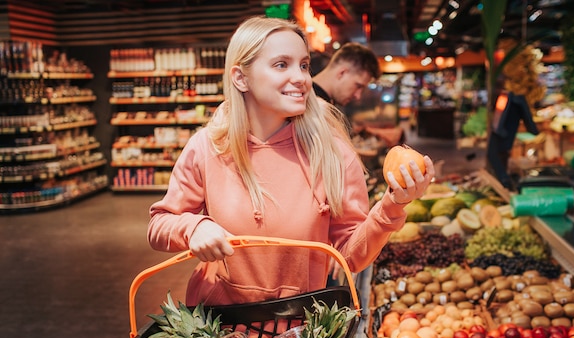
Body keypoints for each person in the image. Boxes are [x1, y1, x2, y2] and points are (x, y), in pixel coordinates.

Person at [147, 15, 435, 307]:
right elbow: (160, 225)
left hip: (298, 332)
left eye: (304, 65)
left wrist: (392, 206)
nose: (301, 78)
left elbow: (349, 256)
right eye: (281, 64)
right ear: (240, 78)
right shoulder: (208, 147)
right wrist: (193, 227)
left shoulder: (331, 153)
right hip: (219, 331)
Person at [312, 42, 381, 107]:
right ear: (342, 73)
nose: (358, 96)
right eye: (358, 86)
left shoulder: (320, 103)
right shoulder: (310, 104)